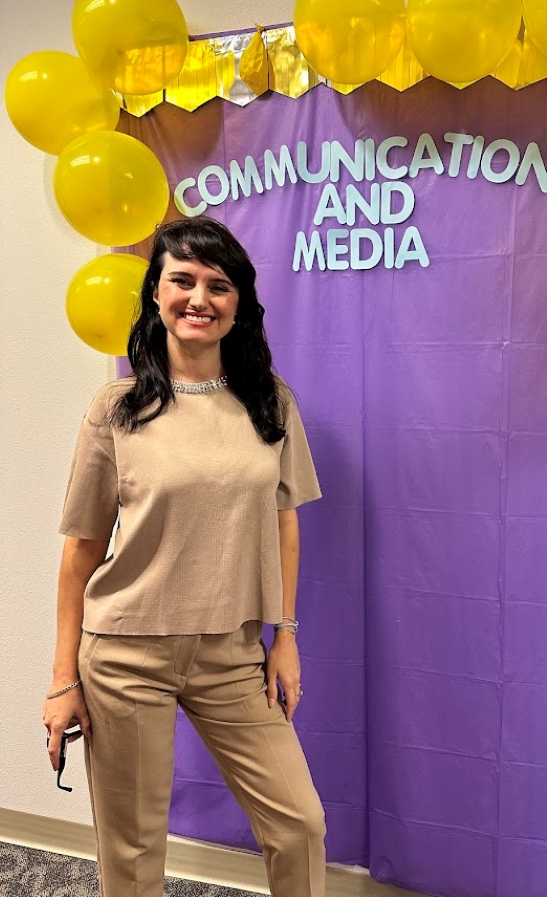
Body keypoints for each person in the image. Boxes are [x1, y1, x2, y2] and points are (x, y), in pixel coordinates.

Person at [42, 217, 326, 897]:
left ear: (237, 303)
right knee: (133, 847)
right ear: (157, 293)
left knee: (300, 825)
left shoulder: (270, 404)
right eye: (183, 279)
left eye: (218, 284)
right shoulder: (116, 409)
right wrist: (61, 681)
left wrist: (283, 637)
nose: (200, 297)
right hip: (124, 653)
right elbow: (81, 552)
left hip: (231, 653)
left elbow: (284, 525)